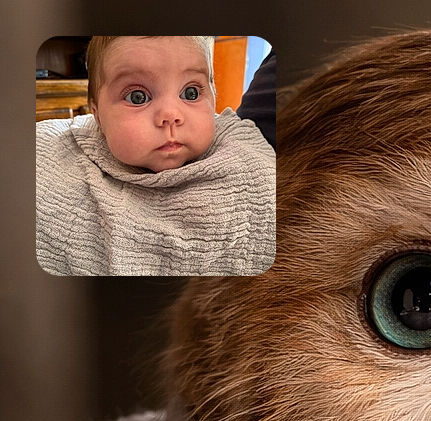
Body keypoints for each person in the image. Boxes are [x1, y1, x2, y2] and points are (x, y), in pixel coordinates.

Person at [35, 35, 275, 276]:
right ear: (98, 116)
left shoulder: (242, 154)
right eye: (137, 97)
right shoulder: (57, 164)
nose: (170, 115)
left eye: (190, 93)